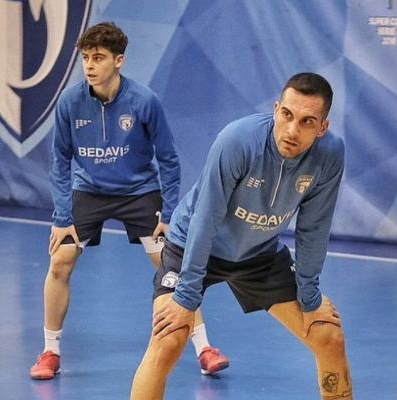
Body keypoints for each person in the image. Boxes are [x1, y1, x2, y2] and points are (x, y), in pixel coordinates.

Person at [130, 73, 353, 399]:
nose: (292, 130)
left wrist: (310, 298)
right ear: (275, 109)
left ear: (323, 127)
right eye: (287, 115)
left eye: (307, 121)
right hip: (193, 244)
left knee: (329, 337)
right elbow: (205, 219)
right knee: (168, 340)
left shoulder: (330, 154)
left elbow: (314, 229)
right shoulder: (238, 141)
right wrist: (186, 298)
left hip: (258, 253)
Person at [30, 21, 229, 380]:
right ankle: (50, 351)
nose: (89, 65)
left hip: (139, 193)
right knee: (59, 261)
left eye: (98, 58)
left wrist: (168, 213)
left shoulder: (144, 101)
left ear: (118, 60)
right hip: (89, 191)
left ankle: (205, 348)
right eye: (86, 58)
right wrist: (62, 217)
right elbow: (60, 160)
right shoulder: (70, 102)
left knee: (170, 268)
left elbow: (168, 159)